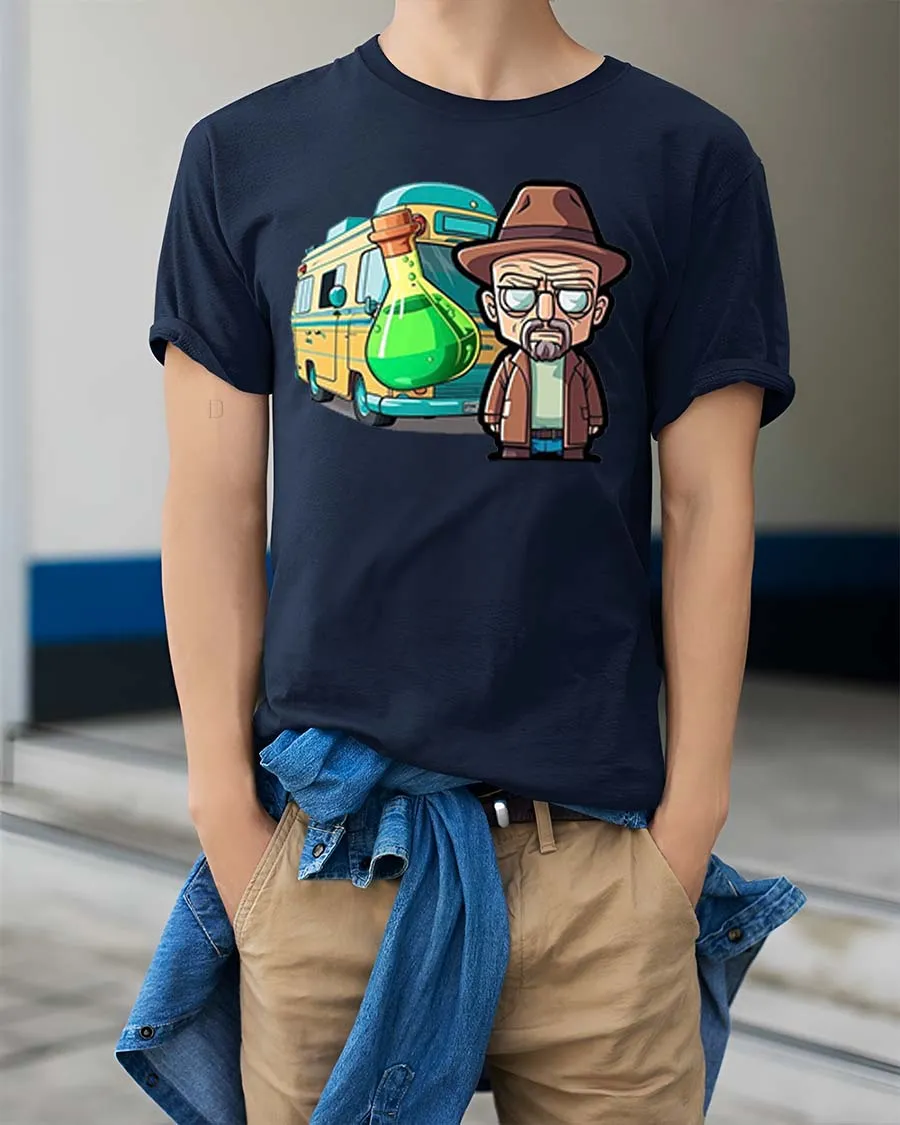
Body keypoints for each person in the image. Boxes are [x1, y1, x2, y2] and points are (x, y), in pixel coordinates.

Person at [118, 1, 803, 1122]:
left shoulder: (692, 156)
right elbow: (212, 503)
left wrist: (689, 829)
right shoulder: (242, 152)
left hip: (604, 866)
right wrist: (226, 821)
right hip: (332, 855)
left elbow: (710, 500)